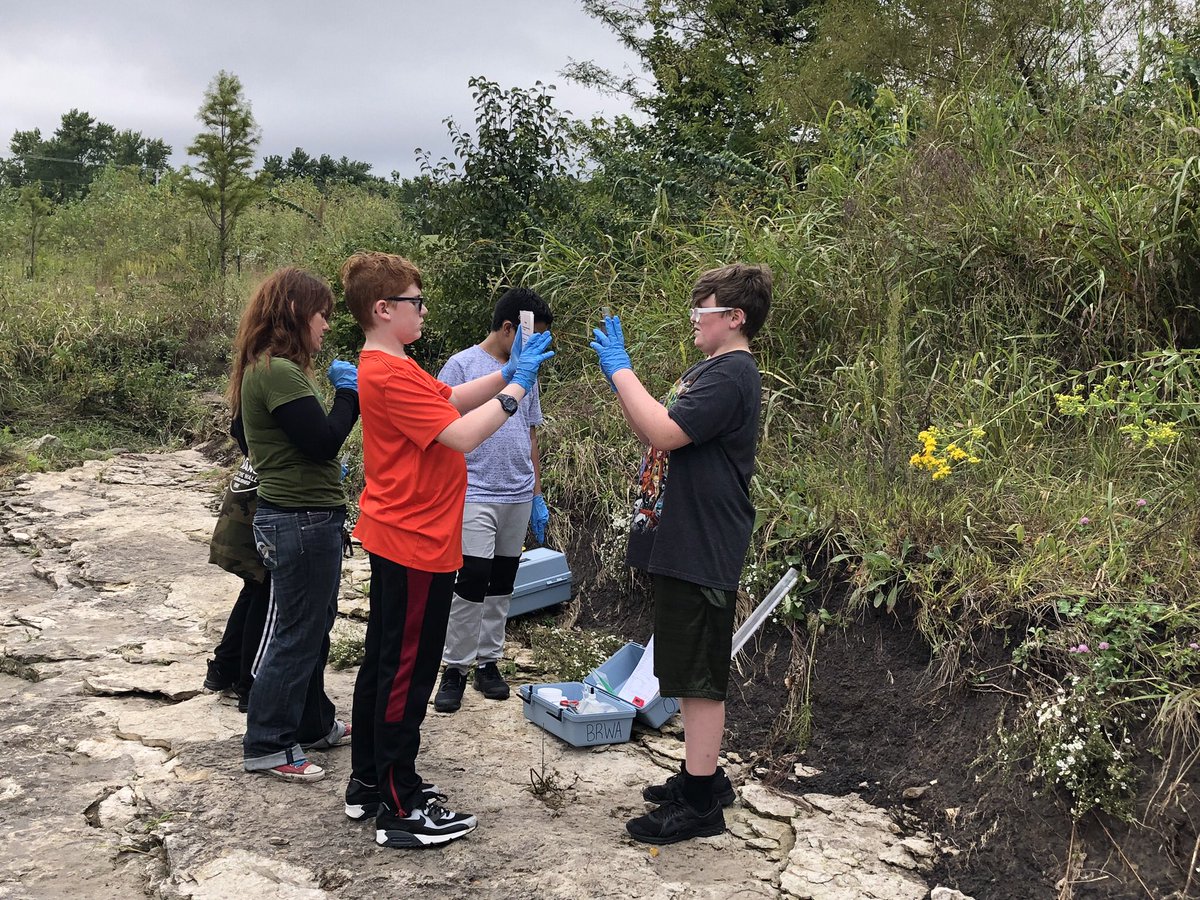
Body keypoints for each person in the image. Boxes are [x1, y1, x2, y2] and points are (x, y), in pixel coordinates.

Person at [339, 252, 554, 849]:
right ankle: (400, 803)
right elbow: (460, 434)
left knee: (386, 661)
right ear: (384, 310)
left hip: (409, 534)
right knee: (406, 669)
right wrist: (513, 393)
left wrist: (514, 370)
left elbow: (451, 398)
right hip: (415, 540)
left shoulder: (397, 365)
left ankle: (369, 782)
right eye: (415, 302)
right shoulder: (386, 372)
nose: (424, 310)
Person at [589, 263, 772, 845]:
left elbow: (665, 432)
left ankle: (698, 804)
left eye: (704, 309)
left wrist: (620, 371)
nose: (695, 319)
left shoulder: (732, 375)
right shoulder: (711, 369)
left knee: (698, 677)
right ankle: (705, 778)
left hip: (703, 541)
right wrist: (624, 380)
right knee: (683, 665)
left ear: (735, 318)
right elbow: (655, 430)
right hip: (682, 536)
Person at [233, 267, 361, 783]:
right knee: (296, 633)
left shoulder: (263, 369)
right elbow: (323, 440)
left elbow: (249, 434)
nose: (326, 326)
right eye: (322, 315)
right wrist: (349, 396)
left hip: (302, 515)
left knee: (313, 629)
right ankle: (267, 742)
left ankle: (313, 722)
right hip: (300, 520)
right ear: (296, 313)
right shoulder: (279, 371)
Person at [432, 287, 554, 714]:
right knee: (470, 581)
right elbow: (442, 428)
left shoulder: (529, 370)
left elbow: (531, 432)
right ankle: (455, 668)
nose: (535, 346)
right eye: (530, 337)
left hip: (517, 493)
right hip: (474, 490)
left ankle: (488, 662)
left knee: (502, 580)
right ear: (508, 329)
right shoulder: (462, 365)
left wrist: (537, 493)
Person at [203, 449, 269, 714]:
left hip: (241, 510)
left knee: (255, 589)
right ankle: (251, 684)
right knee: (265, 594)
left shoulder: (246, 412)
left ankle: (224, 666)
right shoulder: (277, 409)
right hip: (256, 515)